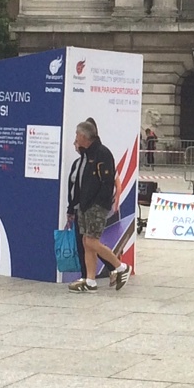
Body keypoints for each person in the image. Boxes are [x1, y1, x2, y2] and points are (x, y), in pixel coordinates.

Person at [65, 117, 127, 292]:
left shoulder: (102, 154)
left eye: (77, 135)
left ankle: (120, 267)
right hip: (84, 206)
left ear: (84, 137)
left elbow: (108, 182)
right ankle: (90, 280)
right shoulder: (86, 155)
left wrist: (99, 204)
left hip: (96, 206)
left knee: (92, 241)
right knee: (86, 242)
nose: (75, 139)